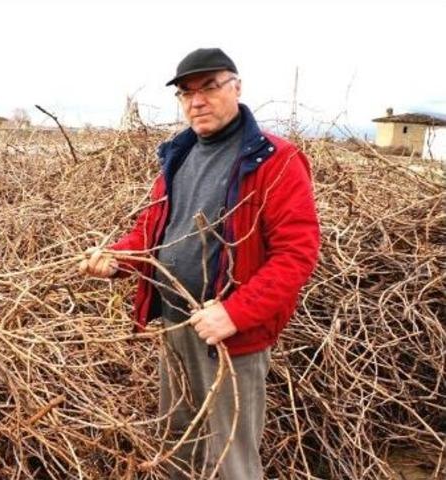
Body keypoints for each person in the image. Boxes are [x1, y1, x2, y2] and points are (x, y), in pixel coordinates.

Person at [78, 48, 320, 478]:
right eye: (186, 93)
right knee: (178, 445)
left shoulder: (274, 159)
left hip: (230, 337)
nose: (197, 101)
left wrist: (234, 313)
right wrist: (118, 258)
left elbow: (296, 254)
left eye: (209, 87)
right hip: (176, 325)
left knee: (231, 460)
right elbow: (154, 232)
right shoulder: (180, 154)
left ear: (237, 88)